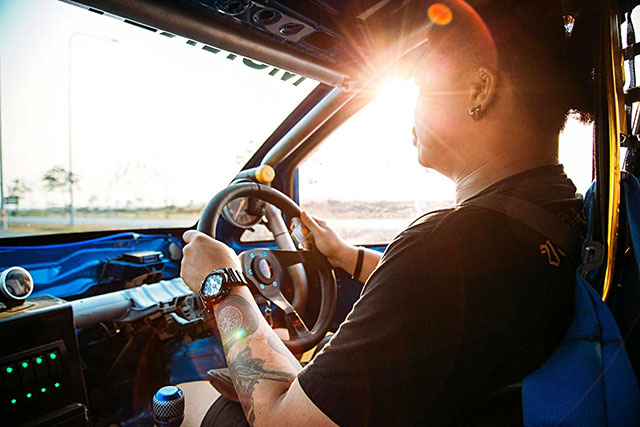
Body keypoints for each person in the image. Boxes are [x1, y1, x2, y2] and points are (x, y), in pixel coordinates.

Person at [178, 0, 595, 425]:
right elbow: (451, 300)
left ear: (479, 90)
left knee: (209, 407)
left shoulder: (446, 247)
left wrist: (222, 284)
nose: (413, 110)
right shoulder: (557, 209)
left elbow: (279, 420)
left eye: (423, 84)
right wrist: (348, 257)